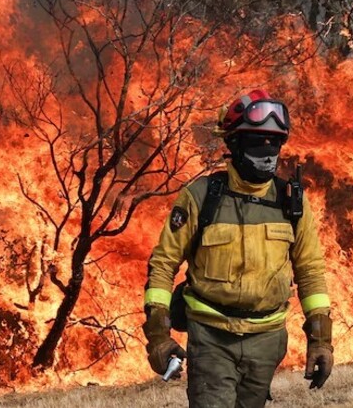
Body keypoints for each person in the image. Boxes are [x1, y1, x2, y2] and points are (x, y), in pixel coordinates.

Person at [142, 89, 333, 408]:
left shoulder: (291, 203)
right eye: (258, 141)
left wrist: (321, 341)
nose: (268, 151)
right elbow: (162, 266)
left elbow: (311, 272)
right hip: (212, 337)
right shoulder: (200, 198)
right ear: (234, 144)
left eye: (275, 141)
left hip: (268, 340)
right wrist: (158, 338)